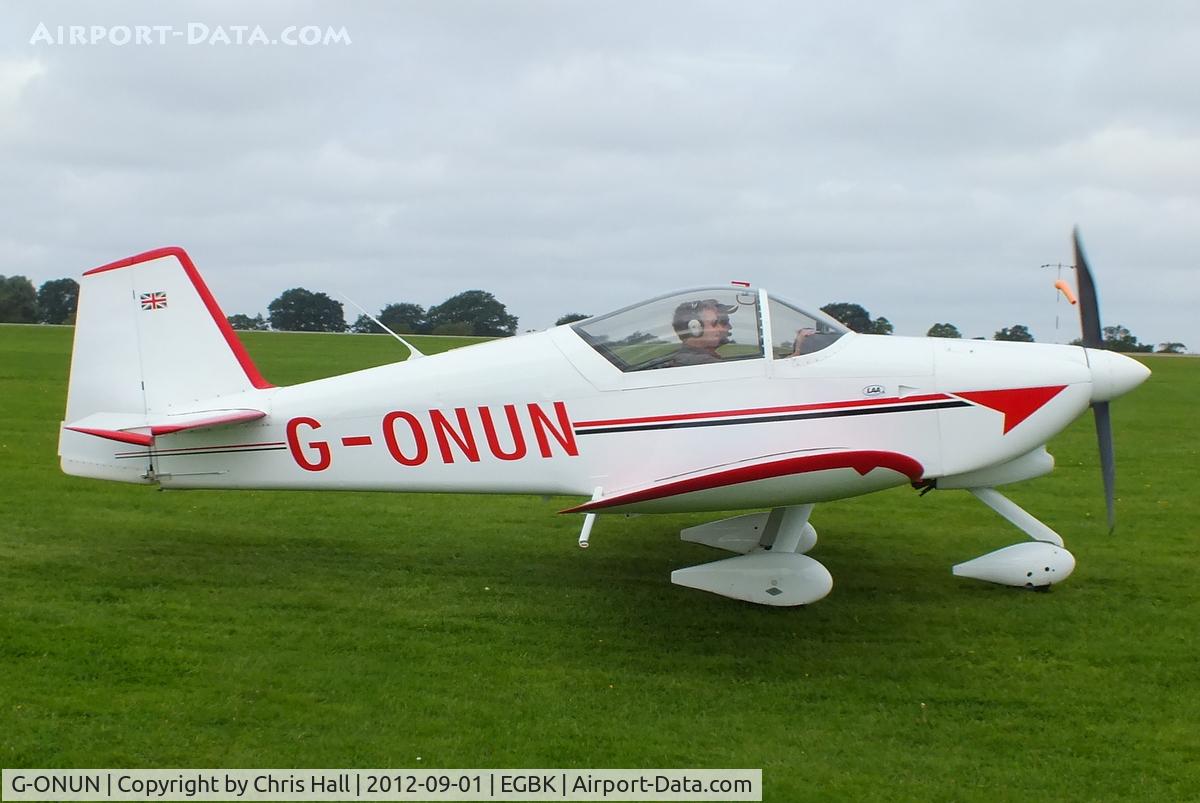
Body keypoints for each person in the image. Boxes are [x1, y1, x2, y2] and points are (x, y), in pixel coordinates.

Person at [667, 299, 737, 366]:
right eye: (714, 323)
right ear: (695, 329)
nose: (720, 328)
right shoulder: (704, 362)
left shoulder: (685, 357)